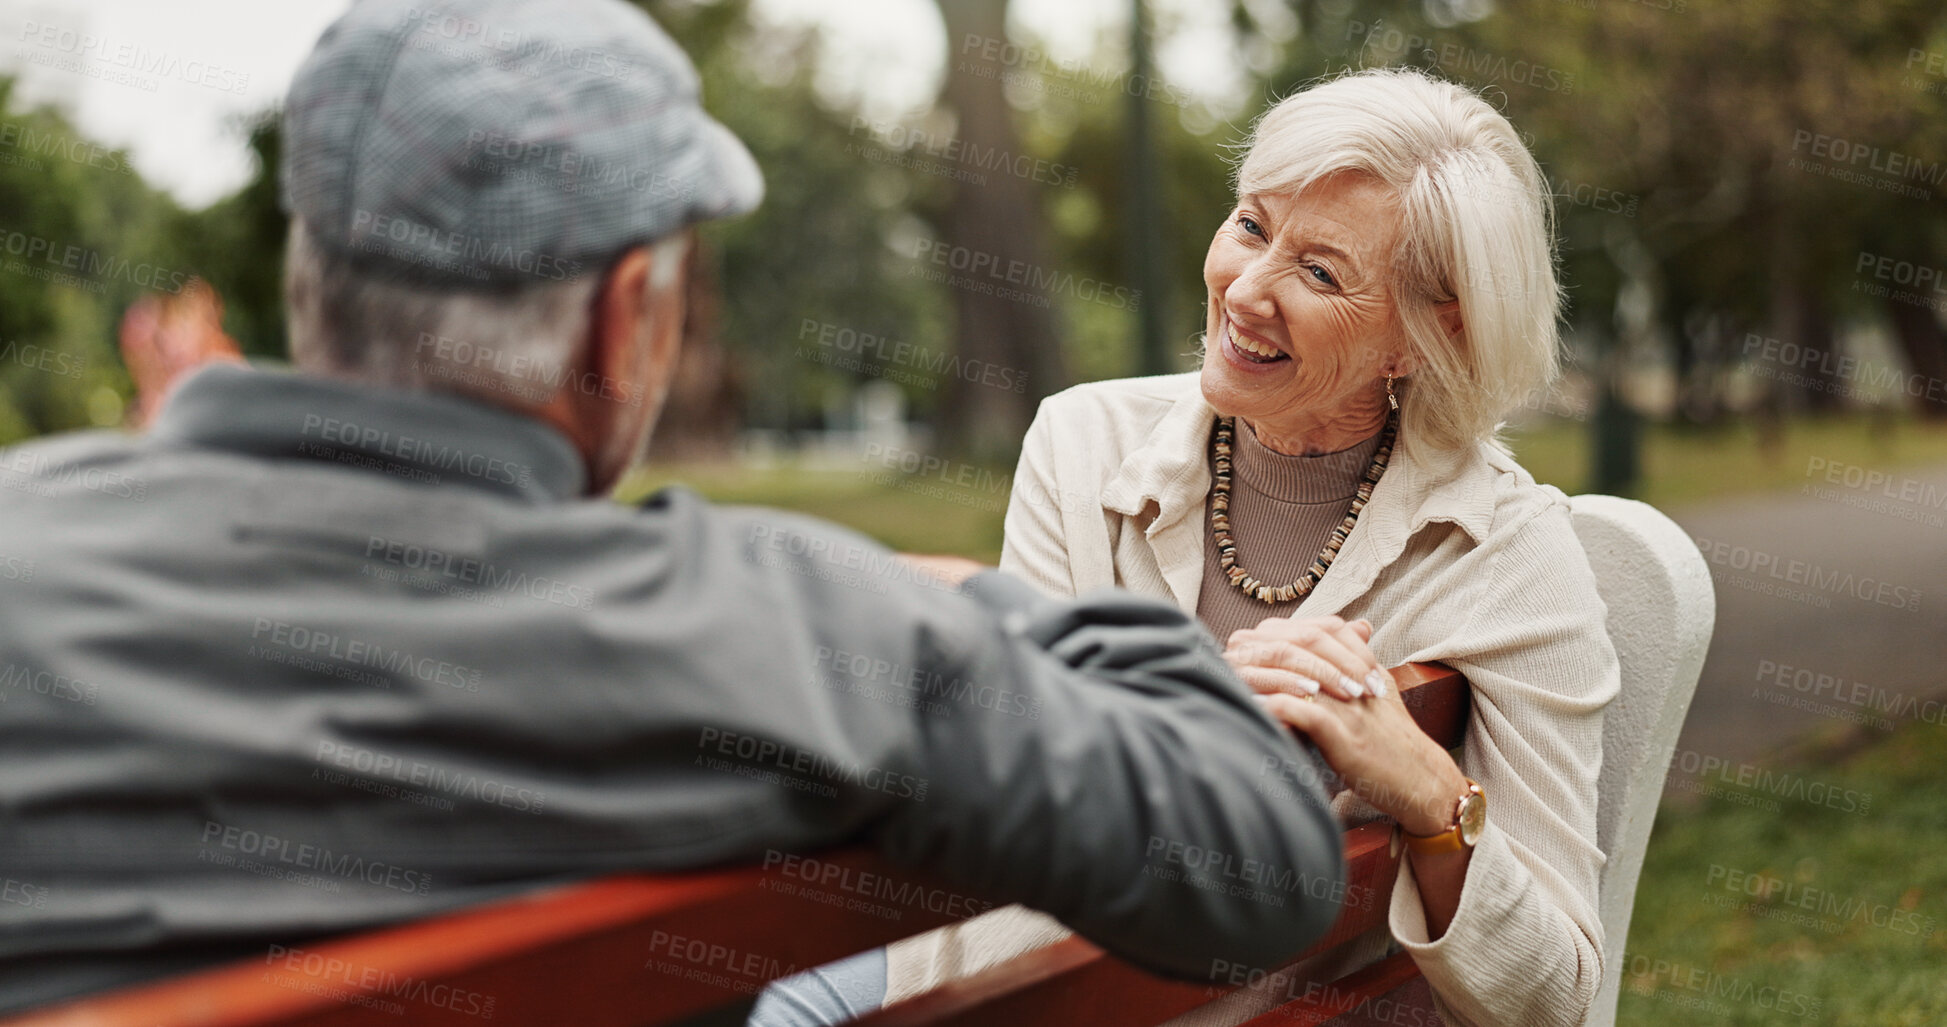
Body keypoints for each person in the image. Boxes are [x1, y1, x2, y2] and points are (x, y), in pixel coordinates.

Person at [0, 0, 1349, 1015]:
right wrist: (959, 610)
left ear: (309, 278)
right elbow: (1260, 848)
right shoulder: (776, 626)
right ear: (622, 312)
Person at [884, 69, 1621, 1027]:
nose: (1246, 290)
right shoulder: (1080, 441)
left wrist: (1430, 790)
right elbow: (1007, 770)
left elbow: (1554, 996)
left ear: (1427, 336)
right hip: (983, 989)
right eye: (1249, 225)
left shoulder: (1507, 555)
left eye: (1319, 273)